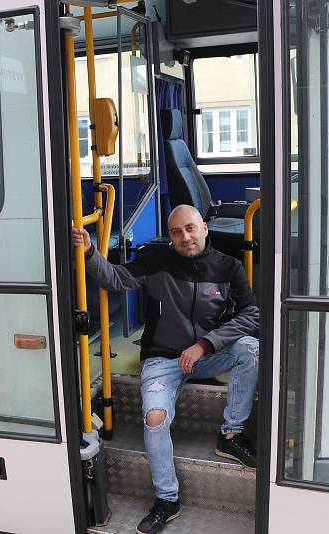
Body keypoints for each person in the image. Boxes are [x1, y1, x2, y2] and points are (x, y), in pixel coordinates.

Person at [71, 204, 259, 534]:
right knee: (155, 418)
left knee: (250, 349)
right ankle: (167, 499)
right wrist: (88, 252)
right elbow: (115, 278)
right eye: (176, 232)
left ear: (204, 227)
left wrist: (205, 344)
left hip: (205, 355)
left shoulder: (228, 267)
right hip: (162, 360)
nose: (185, 237)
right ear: (171, 236)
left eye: (190, 228)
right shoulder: (156, 261)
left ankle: (231, 434)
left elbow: (252, 315)